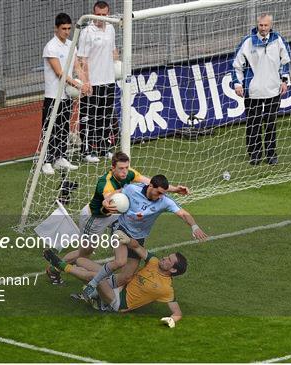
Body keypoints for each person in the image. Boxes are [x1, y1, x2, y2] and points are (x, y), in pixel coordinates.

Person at [45, 152, 190, 284]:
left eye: (126, 167)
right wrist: (107, 201)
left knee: (126, 229)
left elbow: (150, 182)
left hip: (114, 216)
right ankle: (54, 268)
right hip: (95, 219)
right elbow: (108, 197)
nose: (124, 171)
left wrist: (175, 189)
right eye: (121, 168)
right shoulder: (105, 182)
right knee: (85, 253)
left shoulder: (129, 173)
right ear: (112, 167)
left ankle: (119, 258)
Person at [81, 174, 207, 300]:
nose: (161, 196)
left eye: (163, 193)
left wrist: (194, 226)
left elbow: (183, 214)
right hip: (121, 228)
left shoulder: (164, 201)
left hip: (138, 238)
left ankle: (96, 292)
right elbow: (118, 191)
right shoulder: (132, 189)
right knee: (120, 261)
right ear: (150, 186)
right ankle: (92, 284)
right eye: (158, 192)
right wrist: (106, 200)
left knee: (127, 277)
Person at [44, 244, 186, 327]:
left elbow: (178, 313)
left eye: (169, 260)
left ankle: (61, 266)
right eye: (167, 256)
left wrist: (171, 320)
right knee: (81, 261)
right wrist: (125, 237)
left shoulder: (166, 289)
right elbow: (136, 246)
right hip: (117, 284)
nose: (164, 258)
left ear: (173, 270)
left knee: (96, 277)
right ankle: (85, 288)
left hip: (118, 302)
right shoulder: (154, 261)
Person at [232, 14, 291, 166]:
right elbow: (236, 65)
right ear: (257, 25)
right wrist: (238, 84)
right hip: (253, 91)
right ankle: (255, 154)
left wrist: (284, 80)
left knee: (271, 123)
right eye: (261, 25)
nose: (263, 28)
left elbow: (286, 61)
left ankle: (271, 154)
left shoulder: (278, 40)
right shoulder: (247, 42)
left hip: (273, 89)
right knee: (254, 123)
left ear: (271, 25)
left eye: (266, 25)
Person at [41, 13, 90, 175]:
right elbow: (59, 72)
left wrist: (85, 82)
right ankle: (46, 161)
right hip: (53, 96)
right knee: (50, 128)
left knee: (63, 127)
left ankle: (60, 157)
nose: (66, 32)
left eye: (69, 28)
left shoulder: (71, 45)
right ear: (56, 28)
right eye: (63, 29)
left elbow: (77, 67)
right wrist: (76, 84)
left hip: (67, 95)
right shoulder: (51, 47)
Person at [77, 1, 119, 163]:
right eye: (98, 15)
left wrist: (118, 63)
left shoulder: (111, 28)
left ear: (108, 14)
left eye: (104, 15)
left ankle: (103, 147)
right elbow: (83, 60)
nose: (101, 18)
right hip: (93, 82)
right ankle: (86, 150)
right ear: (93, 14)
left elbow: (113, 51)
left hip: (108, 80)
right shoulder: (87, 32)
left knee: (105, 116)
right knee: (90, 117)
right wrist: (86, 82)